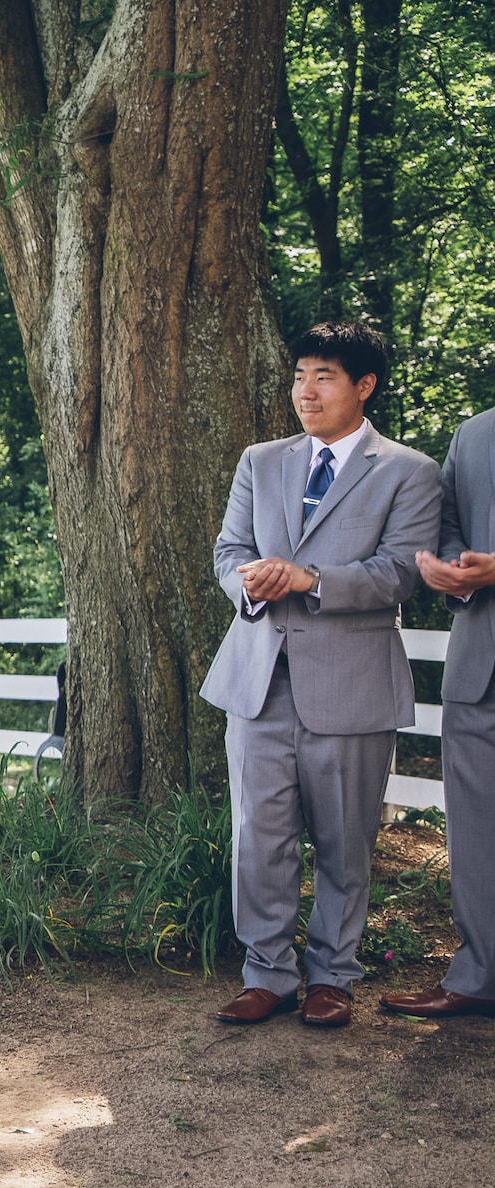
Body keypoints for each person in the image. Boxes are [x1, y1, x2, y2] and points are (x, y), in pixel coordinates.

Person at [199, 321, 440, 1028]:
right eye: (300, 374)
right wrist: (250, 582)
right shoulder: (260, 460)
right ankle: (266, 972)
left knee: (344, 839)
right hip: (257, 679)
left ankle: (334, 973)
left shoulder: (409, 470)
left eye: (324, 375)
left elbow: (402, 573)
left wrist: (307, 577)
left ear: (363, 386)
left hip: (352, 683)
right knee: (259, 836)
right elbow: (229, 549)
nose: (305, 389)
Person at [384, 404, 495, 1020]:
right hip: (478, 667)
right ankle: (479, 975)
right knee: (476, 835)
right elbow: (448, 523)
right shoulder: (474, 434)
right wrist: (451, 568)